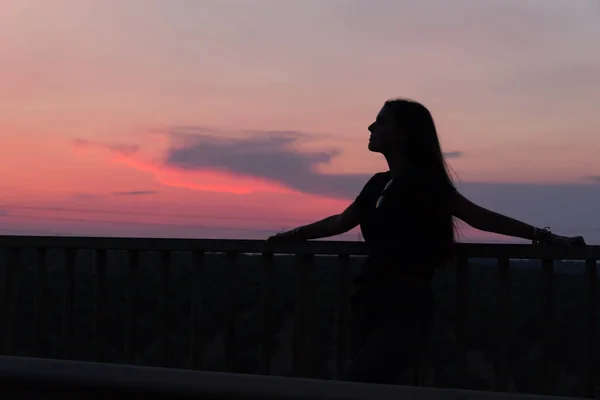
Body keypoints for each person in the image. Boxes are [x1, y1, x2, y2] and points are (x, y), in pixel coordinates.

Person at [266, 98, 586, 384]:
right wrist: (292, 236)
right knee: (369, 385)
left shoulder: (425, 183)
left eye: (381, 121)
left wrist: (542, 235)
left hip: (405, 304)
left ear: (403, 135)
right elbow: (340, 222)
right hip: (368, 300)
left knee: (358, 381)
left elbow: (478, 217)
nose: (370, 126)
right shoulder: (378, 183)